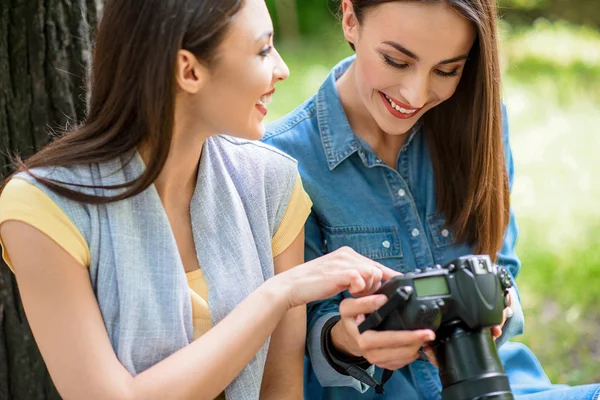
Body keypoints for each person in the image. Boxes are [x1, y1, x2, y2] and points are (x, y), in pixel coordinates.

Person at [0, 1, 399, 399]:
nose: (282, 68)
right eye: (262, 50)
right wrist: (276, 294)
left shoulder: (270, 181)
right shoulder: (44, 208)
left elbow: (280, 390)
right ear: (188, 70)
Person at [263, 0, 600, 399]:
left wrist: (497, 304)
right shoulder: (282, 160)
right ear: (351, 20)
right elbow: (294, 340)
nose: (416, 94)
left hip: (501, 384)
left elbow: (502, 266)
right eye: (395, 60)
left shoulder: (480, 122)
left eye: (447, 70)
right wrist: (348, 339)